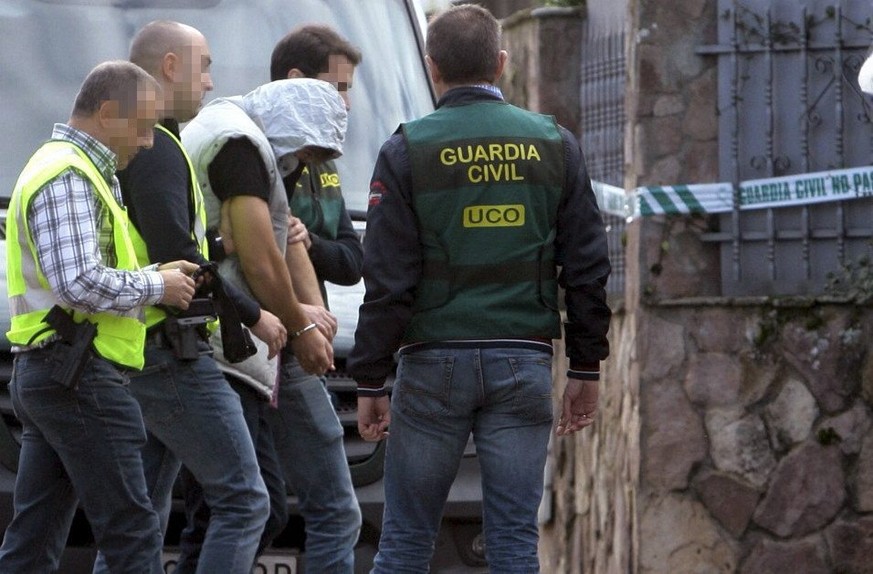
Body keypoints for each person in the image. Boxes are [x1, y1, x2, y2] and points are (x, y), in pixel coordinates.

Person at [347, 4, 612, 573]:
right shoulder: (554, 145)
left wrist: (370, 376)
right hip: (523, 360)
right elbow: (588, 266)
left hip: (432, 362)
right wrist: (585, 366)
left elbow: (387, 277)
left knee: (405, 542)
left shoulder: (407, 149)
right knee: (514, 542)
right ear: (501, 63)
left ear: (432, 67)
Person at [92, 21, 289, 574]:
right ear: (171, 66)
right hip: (169, 349)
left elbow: (158, 243)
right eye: (203, 68)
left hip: (140, 347)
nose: (209, 83)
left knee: (141, 517)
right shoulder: (155, 146)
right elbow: (177, 255)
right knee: (245, 501)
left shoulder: (137, 145)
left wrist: (217, 245)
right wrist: (254, 315)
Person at [0, 60, 199, 573]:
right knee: (133, 532)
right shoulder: (68, 174)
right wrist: (158, 285)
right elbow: (78, 282)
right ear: (108, 114)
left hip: (55, 371)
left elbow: (78, 278)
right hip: (79, 374)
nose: (149, 143)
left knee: (34, 538)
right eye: (144, 126)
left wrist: (153, 273)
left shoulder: (64, 166)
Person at [175, 78, 346, 570]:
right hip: (218, 344)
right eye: (307, 152)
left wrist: (310, 314)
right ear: (294, 129)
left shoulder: (241, 135)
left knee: (251, 506)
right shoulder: (242, 147)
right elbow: (260, 260)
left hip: (225, 346)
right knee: (239, 507)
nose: (306, 164)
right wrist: (301, 327)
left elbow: (280, 236)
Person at [265, 25, 364, 572]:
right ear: (297, 80)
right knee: (271, 508)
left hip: (307, 346)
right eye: (338, 87)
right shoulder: (257, 155)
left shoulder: (322, 166)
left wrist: (308, 242)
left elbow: (351, 263)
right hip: (272, 345)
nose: (346, 103)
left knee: (255, 507)